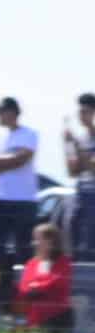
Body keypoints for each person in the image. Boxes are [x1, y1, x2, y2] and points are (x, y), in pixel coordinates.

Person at [0, 96, 39, 310]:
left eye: (1, 111)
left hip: (23, 201)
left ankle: (29, 299)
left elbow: (21, 159)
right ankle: (2, 301)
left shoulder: (29, 134)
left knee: (25, 252)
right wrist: (6, 161)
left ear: (12, 112)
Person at [16, 223, 73, 332]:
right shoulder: (32, 263)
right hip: (35, 317)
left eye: (38, 239)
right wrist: (40, 287)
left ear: (50, 241)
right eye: (34, 239)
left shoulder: (63, 261)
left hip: (58, 317)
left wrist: (38, 287)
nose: (34, 243)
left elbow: (59, 282)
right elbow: (24, 287)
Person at [64, 93, 95, 261]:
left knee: (90, 237)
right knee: (71, 227)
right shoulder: (82, 138)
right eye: (80, 112)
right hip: (81, 190)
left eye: (86, 112)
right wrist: (68, 146)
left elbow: (93, 168)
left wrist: (78, 146)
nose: (82, 116)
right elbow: (73, 172)